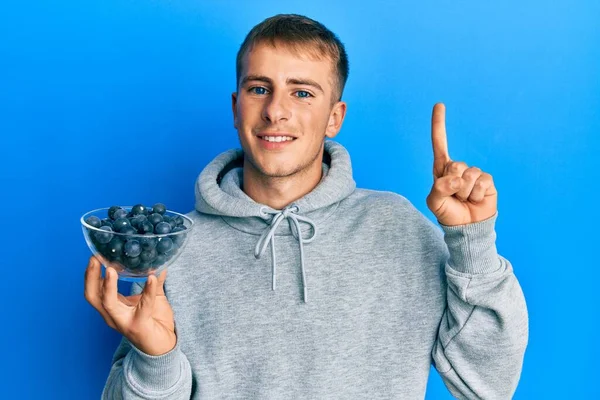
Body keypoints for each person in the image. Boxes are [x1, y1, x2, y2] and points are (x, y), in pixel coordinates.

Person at [84, 13, 528, 399]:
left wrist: (473, 245)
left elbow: (488, 387)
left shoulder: (395, 226)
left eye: (302, 93)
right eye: (260, 88)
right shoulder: (173, 248)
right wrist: (155, 357)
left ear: (334, 117)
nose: (276, 111)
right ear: (237, 108)